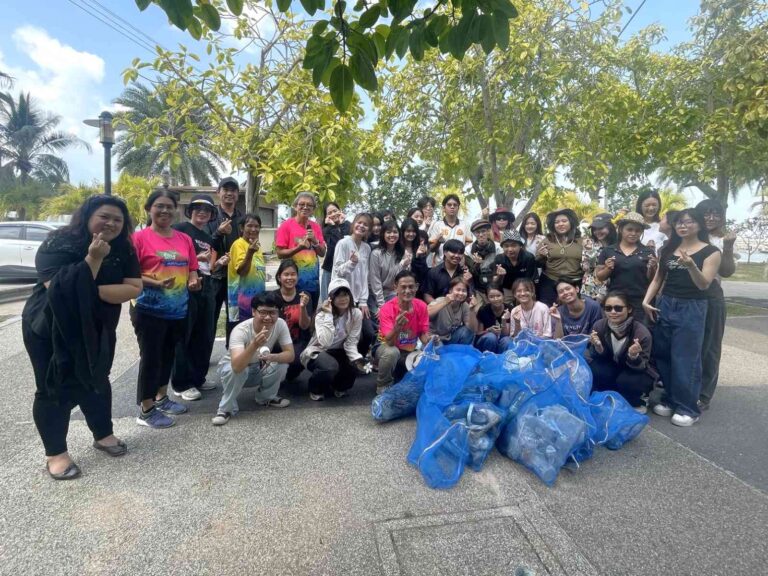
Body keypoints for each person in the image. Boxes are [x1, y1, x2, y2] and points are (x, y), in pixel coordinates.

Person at [22, 195, 141, 480]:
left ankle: (103, 434)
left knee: (97, 377)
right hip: (51, 328)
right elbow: (59, 290)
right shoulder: (59, 242)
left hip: (98, 327)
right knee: (54, 384)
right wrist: (94, 258)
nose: (111, 223)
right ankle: (56, 453)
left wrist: (91, 291)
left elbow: (134, 286)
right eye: (105, 216)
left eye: (118, 219)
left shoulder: (123, 247)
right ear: (87, 216)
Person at [643, 208, 721, 427]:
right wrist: (646, 300)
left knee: (686, 357)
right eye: (679, 222)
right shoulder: (668, 249)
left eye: (689, 222)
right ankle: (670, 398)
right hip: (666, 303)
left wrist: (691, 265)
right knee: (664, 354)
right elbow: (658, 279)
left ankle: (688, 407)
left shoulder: (711, 252)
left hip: (692, 306)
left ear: (699, 225)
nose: (683, 226)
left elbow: (704, 284)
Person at [132, 190, 201, 429]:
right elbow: (130, 274)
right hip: (149, 308)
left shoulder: (184, 239)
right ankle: (146, 408)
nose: (164, 211)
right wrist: (156, 283)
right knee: (151, 358)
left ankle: (162, 397)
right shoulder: (139, 239)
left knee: (168, 355)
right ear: (149, 209)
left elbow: (192, 267)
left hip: (178, 308)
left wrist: (193, 279)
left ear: (175, 210)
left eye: (169, 207)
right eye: (159, 206)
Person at [171, 194, 227, 401]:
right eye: (197, 208)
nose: (202, 212)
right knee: (185, 335)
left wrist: (219, 262)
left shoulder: (205, 236)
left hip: (207, 285)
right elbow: (169, 255)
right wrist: (192, 260)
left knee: (205, 334)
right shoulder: (180, 229)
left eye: (207, 210)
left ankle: (198, 377)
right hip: (186, 287)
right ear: (190, 211)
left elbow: (208, 265)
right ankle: (181, 383)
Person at [212, 293, 294, 426]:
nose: (268, 317)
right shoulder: (241, 330)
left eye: (272, 312)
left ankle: (266, 397)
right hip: (233, 368)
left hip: (258, 365)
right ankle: (225, 409)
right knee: (238, 370)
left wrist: (272, 357)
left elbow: (290, 355)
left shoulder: (280, 324)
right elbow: (236, 366)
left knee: (281, 363)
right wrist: (254, 345)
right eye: (263, 312)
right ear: (253, 311)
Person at [696, 199, 737, 411]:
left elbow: (727, 272)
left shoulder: (722, 240)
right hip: (688, 297)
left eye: (716, 214)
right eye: (706, 213)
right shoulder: (691, 237)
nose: (711, 218)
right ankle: (684, 387)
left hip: (712, 298)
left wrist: (728, 248)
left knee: (710, 348)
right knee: (688, 345)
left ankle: (704, 394)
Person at [301, 278, 368, 400]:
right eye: (338, 296)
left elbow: (351, 342)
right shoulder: (321, 315)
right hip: (318, 352)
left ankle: (338, 385)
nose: (343, 299)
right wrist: (328, 314)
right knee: (329, 366)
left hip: (340, 351)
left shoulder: (356, 314)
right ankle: (315, 388)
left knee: (353, 365)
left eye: (345, 294)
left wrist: (357, 359)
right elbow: (325, 343)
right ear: (331, 298)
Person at [588, 292, 655, 412]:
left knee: (628, 381)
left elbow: (643, 366)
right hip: (613, 367)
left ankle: (639, 399)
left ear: (629, 309)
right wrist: (598, 348)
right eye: (608, 308)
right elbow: (598, 358)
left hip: (634, 371)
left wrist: (633, 356)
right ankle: (611, 393)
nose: (613, 312)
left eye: (618, 308)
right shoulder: (599, 326)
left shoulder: (641, 333)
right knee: (594, 369)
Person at [375, 270, 432, 393]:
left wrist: (431, 341)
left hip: (409, 351)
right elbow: (389, 343)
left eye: (411, 287)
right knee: (391, 352)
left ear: (416, 287)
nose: (407, 291)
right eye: (403, 287)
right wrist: (397, 328)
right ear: (396, 288)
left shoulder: (421, 306)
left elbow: (423, 333)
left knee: (432, 353)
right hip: (387, 348)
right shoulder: (386, 308)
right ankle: (383, 385)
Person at [595, 212, 657, 324]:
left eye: (638, 230)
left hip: (639, 301)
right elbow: (599, 277)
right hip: (616, 303)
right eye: (629, 229)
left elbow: (652, 280)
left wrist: (652, 268)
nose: (633, 233)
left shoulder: (648, 252)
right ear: (621, 229)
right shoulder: (608, 250)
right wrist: (608, 268)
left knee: (640, 335)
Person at [275, 192, 326, 310]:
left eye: (309, 205)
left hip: (313, 283)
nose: (305, 207)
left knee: (310, 318)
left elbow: (322, 253)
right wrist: (299, 248)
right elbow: (279, 253)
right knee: (293, 318)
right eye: (301, 204)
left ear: (313, 209)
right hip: (292, 284)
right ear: (295, 206)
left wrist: (315, 241)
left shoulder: (316, 227)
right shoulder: (286, 225)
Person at [332, 212, 375, 355]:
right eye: (359, 222)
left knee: (368, 333)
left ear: (369, 230)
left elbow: (365, 276)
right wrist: (351, 263)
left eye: (366, 225)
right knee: (344, 334)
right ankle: (346, 363)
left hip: (359, 299)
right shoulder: (343, 243)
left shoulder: (366, 248)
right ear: (353, 224)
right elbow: (338, 272)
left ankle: (359, 361)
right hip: (343, 297)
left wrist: (363, 300)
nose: (361, 226)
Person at [205, 177, 242, 334]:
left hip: (236, 276)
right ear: (218, 192)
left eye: (233, 190)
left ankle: (232, 354)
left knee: (235, 318)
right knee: (209, 318)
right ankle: (204, 357)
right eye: (225, 190)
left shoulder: (243, 218)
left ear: (237, 194)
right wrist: (218, 232)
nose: (229, 193)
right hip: (215, 276)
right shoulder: (209, 216)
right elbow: (204, 244)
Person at [271, 259, 312, 383]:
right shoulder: (271, 297)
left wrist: (303, 307)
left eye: (293, 274)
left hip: (297, 342)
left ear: (297, 276)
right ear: (279, 277)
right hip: (276, 342)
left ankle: (287, 375)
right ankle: (273, 375)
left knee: (297, 361)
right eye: (286, 274)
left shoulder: (305, 296)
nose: (290, 278)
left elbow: (305, 326)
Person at [535, 208, 584, 305]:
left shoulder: (581, 241)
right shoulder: (547, 241)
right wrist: (541, 256)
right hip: (550, 283)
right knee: (547, 311)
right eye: (557, 222)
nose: (560, 224)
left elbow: (590, 263)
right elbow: (537, 263)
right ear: (553, 225)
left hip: (574, 282)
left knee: (572, 312)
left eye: (564, 221)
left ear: (571, 223)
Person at [228, 213, 266, 331]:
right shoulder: (238, 244)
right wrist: (249, 253)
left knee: (255, 334)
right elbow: (242, 271)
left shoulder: (256, 246)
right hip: (241, 301)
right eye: (249, 226)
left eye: (257, 226)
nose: (253, 229)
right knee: (242, 335)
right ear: (241, 228)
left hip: (257, 301)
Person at [369, 220, 408, 311]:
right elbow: (375, 281)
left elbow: (402, 279)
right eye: (388, 232)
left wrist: (404, 265)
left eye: (395, 232)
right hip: (376, 296)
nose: (392, 235)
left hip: (394, 294)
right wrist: (381, 305)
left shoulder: (403, 253)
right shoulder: (376, 254)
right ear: (383, 234)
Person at [492, 230, 538, 305]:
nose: (510, 249)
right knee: (506, 309)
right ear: (502, 247)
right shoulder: (499, 259)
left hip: (525, 288)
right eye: (506, 246)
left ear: (520, 246)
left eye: (513, 245)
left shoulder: (529, 258)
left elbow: (532, 279)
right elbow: (495, 281)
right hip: (507, 289)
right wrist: (500, 275)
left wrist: (522, 292)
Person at [464, 219, 503, 308]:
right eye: (477, 232)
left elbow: (500, 268)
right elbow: (470, 273)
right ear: (474, 234)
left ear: (488, 231)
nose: (481, 235)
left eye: (483, 231)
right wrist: (476, 265)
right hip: (478, 288)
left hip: (495, 286)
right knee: (476, 309)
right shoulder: (468, 250)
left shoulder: (498, 248)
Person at [428, 277, 477, 344]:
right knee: (438, 350)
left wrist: (472, 310)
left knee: (466, 331)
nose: (461, 293)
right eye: (458, 290)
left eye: (464, 291)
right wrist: (445, 302)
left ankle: (460, 353)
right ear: (450, 290)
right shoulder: (441, 300)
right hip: (434, 338)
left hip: (450, 337)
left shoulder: (464, 305)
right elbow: (426, 315)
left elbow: (472, 328)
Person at [423, 239, 473, 303]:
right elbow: (427, 295)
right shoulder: (433, 272)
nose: (457, 255)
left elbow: (469, 295)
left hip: (459, 309)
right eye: (453, 252)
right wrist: (439, 307)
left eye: (460, 253)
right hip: (438, 309)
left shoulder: (465, 274)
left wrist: (468, 282)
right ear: (445, 252)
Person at [428, 194, 472, 265]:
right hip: (440, 266)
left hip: (459, 267)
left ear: (458, 208)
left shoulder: (465, 225)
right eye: (449, 205)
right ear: (444, 208)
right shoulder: (437, 225)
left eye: (455, 205)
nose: (452, 207)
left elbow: (468, 248)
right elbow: (431, 249)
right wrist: (438, 242)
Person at [581, 213, 616, 302]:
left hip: (613, 289)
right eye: (594, 229)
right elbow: (586, 268)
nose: (597, 232)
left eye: (601, 228)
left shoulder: (619, 244)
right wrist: (590, 252)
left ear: (610, 227)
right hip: (591, 289)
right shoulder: (589, 243)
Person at [320, 201, 350, 302]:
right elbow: (336, 246)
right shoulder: (326, 230)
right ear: (326, 216)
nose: (333, 214)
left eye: (335, 211)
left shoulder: (348, 225)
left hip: (347, 268)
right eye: (330, 213)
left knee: (345, 300)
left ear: (340, 211)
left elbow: (347, 244)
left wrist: (342, 225)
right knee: (328, 300)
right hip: (329, 269)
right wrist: (333, 227)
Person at [474, 284, 513, 352]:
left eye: (498, 296)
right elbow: (478, 333)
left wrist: (504, 320)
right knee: (491, 337)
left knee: (507, 340)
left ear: (503, 296)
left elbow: (507, 335)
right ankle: (487, 359)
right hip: (487, 343)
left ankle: (502, 360)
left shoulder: (510, 309)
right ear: (487, 298)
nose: (496, 299)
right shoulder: (483, 310)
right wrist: (488, 330)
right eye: (492, 297)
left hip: (502, 341)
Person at [400, 217, 430, 295]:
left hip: (415, 290)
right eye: (408, 231)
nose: (411, 234)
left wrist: (417, 258)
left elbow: (423, 273)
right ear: (403, 231)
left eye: (414, 231)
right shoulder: (397, 248)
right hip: (399, 288)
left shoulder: (420, 248)